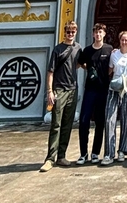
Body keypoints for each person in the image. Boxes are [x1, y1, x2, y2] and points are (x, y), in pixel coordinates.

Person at [40, 21, 80, 171]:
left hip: (72, 90)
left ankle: (61, 156)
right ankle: (50, 158)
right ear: (65, 33)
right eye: (68, 32)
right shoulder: (58, 49)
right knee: (56, 124)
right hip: (59, 90)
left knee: (67, 124)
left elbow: (80, 64)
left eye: (73, 31)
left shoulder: (78, 48)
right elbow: (50, 72)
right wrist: (50, 91)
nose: (70, 34)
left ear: (76, 32)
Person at [76, 23, 113, 165]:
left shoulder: (109, 49)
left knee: (100, 121)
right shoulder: (87, 50)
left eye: (100, 32)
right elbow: (80, 63)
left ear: (104, 34)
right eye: (96, 32)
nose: (98, 35)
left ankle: (95, 152)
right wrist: (90, 70)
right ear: (93, 35)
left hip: (103, 89)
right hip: (90, 90)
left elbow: (112, 66)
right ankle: (83, 153)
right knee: (84, 120)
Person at [102, 30, 127, 165]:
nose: (124, 42)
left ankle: (122, 150)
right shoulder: (114, 55)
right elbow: (110, 71)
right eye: (122, 40)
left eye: (126, 40)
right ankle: (109, 153)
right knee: (109, 120)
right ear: (119, 41)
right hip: (114, 90)